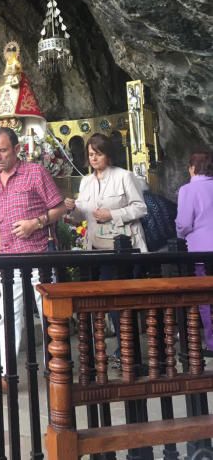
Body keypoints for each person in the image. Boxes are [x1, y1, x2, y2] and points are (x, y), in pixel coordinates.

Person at [0, 126, 66, 392]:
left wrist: (35, 223)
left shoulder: (35, 173)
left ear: (16, 149)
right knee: (8, 315)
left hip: (39, 255)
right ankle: (5, 376)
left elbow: (60, 207)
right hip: (9, 260)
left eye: (3, 150)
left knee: (48, 312)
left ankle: (56, 369)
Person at [64, 132, 147, 363]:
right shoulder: (86, 181)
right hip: (95, 247)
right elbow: (83, 213)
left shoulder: (124, 176)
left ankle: (128, 350)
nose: (93, 158)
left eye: (98, 154)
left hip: (120, 248)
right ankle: (101, 351)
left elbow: (141, 208)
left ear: (108, 155)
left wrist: (113, 214)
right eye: (90, 154)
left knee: (116, 300)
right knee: (98, 300)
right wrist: (71, 210)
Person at [176, 150, 213, 354]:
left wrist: (182, 235)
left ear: (192, 168)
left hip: (201, 251)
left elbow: (183, 223)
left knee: (206, 298)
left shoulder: (187, 190)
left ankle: (212, 341)